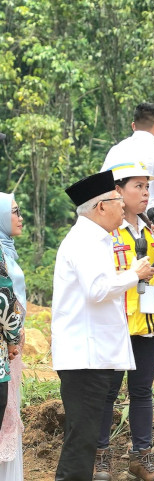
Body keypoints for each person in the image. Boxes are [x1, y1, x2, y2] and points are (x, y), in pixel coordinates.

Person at [51, 171, 154, 481]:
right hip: (85, 357)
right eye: (117, 200)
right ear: (100, 207)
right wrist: (134, 274)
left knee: (82, 439)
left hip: (92, 355)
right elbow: (97, 290)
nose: (123, 207)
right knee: (81, 440)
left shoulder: (96, 238)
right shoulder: (85, 240)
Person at [93, 162, 154, 481]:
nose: (145, 193)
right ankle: (101, 458)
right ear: (118, 191)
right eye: (137, 186)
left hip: (149, 322)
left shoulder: (152, 228)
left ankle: (140, 459)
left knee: (142, 391)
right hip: (116, 322)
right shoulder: (104, 231)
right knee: (108, 391)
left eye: (147, 187)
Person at [102, 102, 154, 248]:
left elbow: (101, 186)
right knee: (151, 266)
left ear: (133, 126)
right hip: (146, 224)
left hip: (113, 223)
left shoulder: (115, 150)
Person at [0, 193, 26, 480]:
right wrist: (13, 336)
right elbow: (5, 300)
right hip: (7, 347)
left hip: (11, 346)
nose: (20, 218)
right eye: (15, 212)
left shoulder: (8, 249)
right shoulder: (0, 253)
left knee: (9, 406)